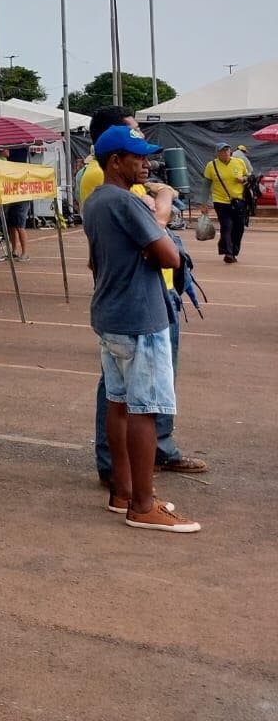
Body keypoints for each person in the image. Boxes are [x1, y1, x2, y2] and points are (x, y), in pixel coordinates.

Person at [78, 105, 207, 481]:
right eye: (138, 154)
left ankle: (123, 486)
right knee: (143, 406)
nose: (146, 163)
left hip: (118, 306)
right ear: (114, 157)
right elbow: (167, 254)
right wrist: (163, 204)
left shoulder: (105, 196)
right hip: (138, 309)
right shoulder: (118, 196)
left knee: (122, 401)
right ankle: (141, 497)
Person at [203, 142, 248, 263]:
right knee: (227, 226)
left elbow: (248, 177)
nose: (225, 153)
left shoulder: (239, 162)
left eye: (227, 150)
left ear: (230, 151)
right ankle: (228, 253)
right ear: (217, 153)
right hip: (220, 201)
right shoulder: (211, 165)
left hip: (239, 200)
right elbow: (206, 185)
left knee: (239, 228)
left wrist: (243, 179)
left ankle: (233, 251)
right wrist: (204, 203)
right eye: (222, 151)